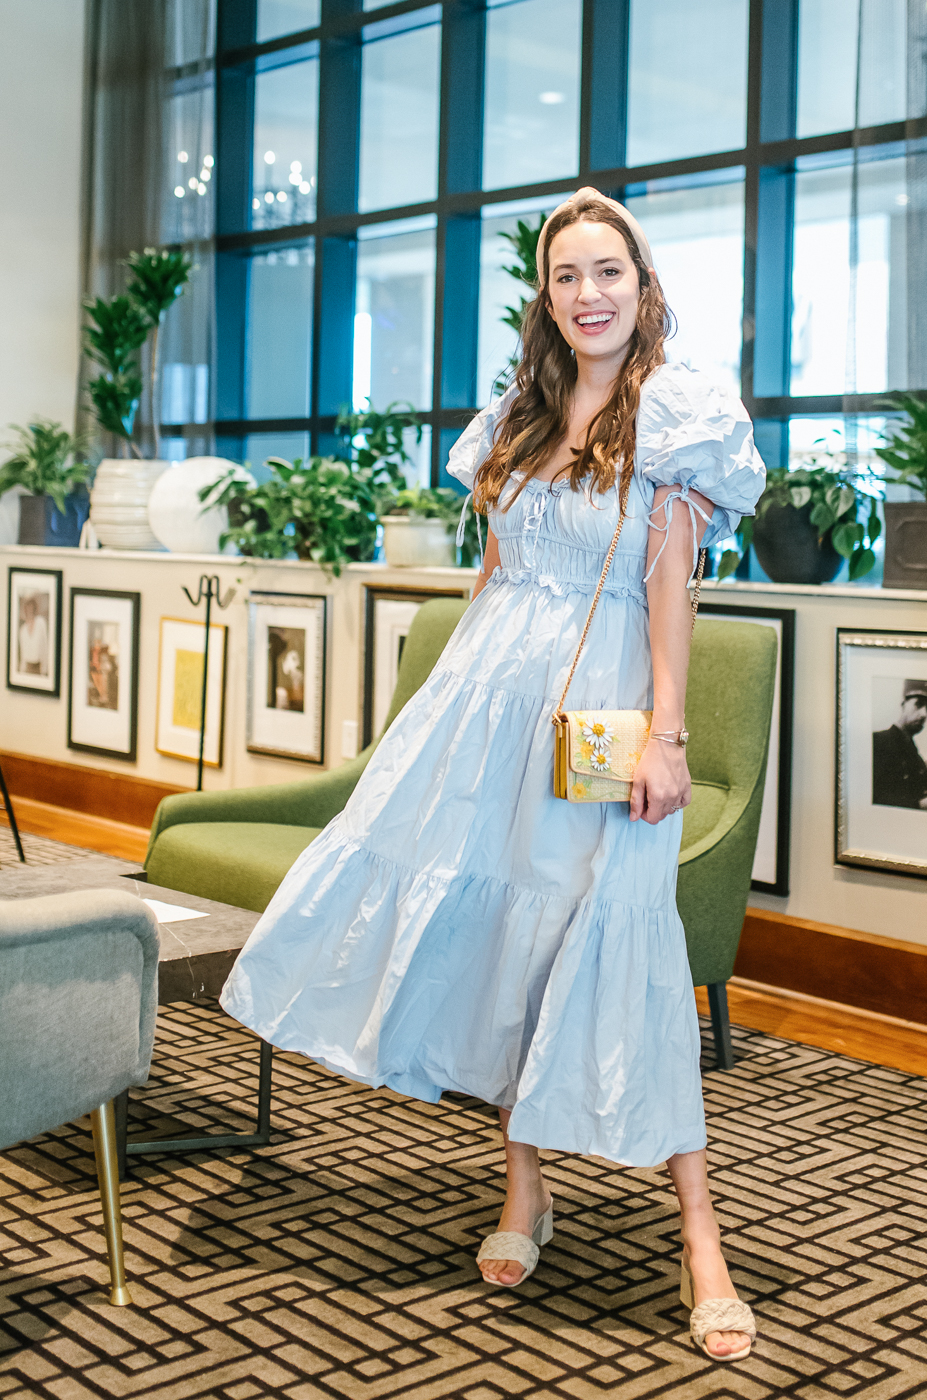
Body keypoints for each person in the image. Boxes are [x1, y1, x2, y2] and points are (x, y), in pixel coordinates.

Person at [220, 188, 765, 1363]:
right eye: (567, 275)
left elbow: (671, 590)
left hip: (605, 715)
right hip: (486, 706)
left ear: (641, 281)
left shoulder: (672, 417)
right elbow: (494, 576)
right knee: (500, 944)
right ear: (548, 294)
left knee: (623, 940)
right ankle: (523, 1187)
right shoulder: (517, 414)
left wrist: (668, 734)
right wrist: (434, 718)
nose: (589, 294)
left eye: (607, 271)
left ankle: (701, 1234)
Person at [872, 679, 927, 812]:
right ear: (903, 705)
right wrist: (916, 805)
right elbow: (871, 798)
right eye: (918, 705)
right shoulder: (878, 742)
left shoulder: (914, 754)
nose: (924, 714)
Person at [16, 595, 48, 676]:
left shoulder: (41, 622)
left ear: (35, 609)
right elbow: (23, 653)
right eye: (28, 608)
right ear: (25, 610)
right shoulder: (23, 630)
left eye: (31, 608)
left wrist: (45, 667)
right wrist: (21, 672)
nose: (30, 610)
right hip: (27, 667)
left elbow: (46, 644)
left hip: (39, 666)